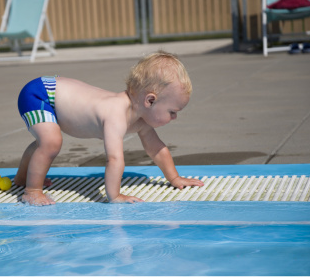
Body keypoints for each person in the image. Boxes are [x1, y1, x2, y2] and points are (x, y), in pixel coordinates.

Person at [14, 51, 204, 205]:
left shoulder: (140, 118)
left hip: (55, 90)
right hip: (40, 94)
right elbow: (114, 159)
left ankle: (22, 178)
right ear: (150, 100)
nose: (175, 117)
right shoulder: (116, 114)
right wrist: (115, 195)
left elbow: (157, 149)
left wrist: (175, 178)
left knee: (45, 143)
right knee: (51, 142)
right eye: (172, 112)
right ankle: (32, 191)